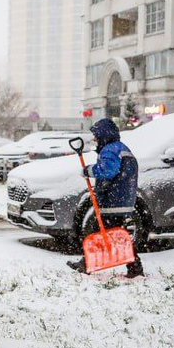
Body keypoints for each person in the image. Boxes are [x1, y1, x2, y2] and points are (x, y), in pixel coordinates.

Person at [66, 118, 145, 278]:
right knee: (116, 234)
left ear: (104, 135)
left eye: (96, 136)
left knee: (104, 234)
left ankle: (89, 263)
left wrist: (89, 170)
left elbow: (108, 171)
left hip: (113, 200)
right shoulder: (120, 148)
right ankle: (133, 267)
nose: (94, 139)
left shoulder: (109, 150)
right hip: (122, 200)